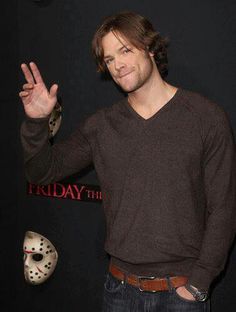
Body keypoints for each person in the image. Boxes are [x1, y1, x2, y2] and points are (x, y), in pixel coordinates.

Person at [19, 11, 236, 312]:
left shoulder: (205, 118)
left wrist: (199, 284)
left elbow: (224, 207)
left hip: (181, 293)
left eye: (125, 50)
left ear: (149, 48)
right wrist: (36, 123)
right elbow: (41, 172)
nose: (117, 65)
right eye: (109, 59)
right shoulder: (101, 126)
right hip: (119, 291)